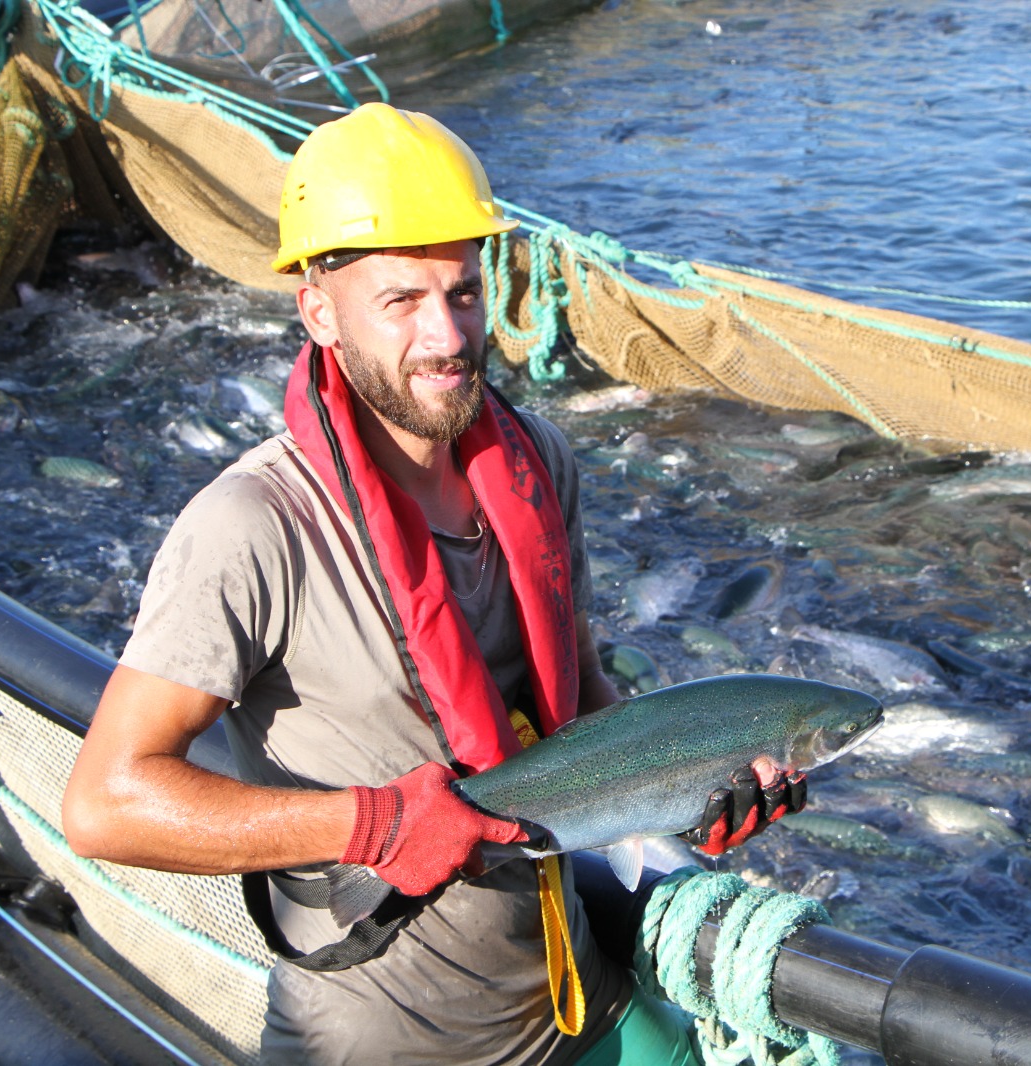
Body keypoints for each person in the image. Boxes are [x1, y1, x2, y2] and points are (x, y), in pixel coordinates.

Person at [61, 103, 802, 1065]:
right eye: (401, 301)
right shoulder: (250, 528)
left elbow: (579, 702)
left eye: (461, 292)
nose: (448, 336)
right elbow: (104, 803)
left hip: (579, 1000)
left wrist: (694, 788)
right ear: (318, 312)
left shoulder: (537, 460)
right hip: (375, 1042)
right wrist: (371, 822)